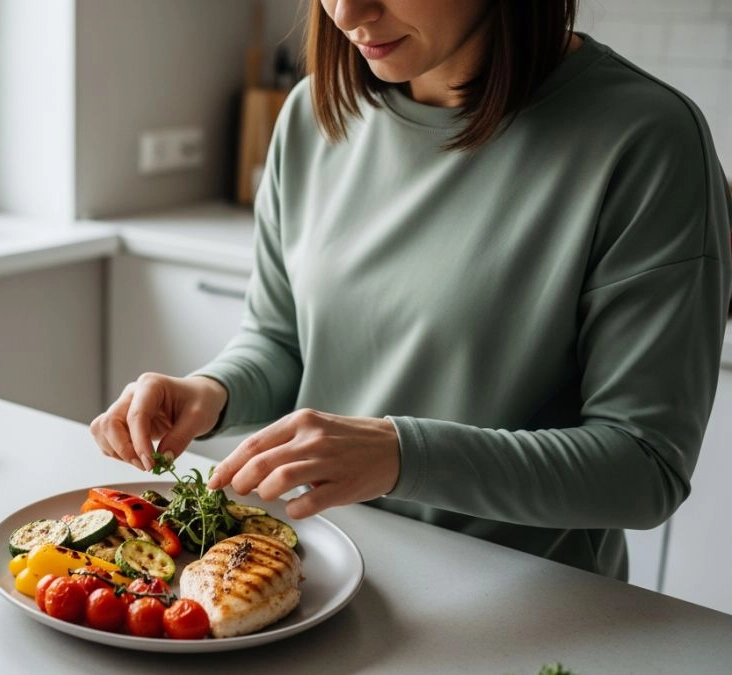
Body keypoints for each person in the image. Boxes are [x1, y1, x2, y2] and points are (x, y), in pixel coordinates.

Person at [90, 0, 731, 579]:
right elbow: (281, 339)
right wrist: (210, 393)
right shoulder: (312, 116)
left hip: (525, 609)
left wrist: (402, 456)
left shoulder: (648, 140)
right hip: (316, 573)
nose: (345, 12)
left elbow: (645, 467)